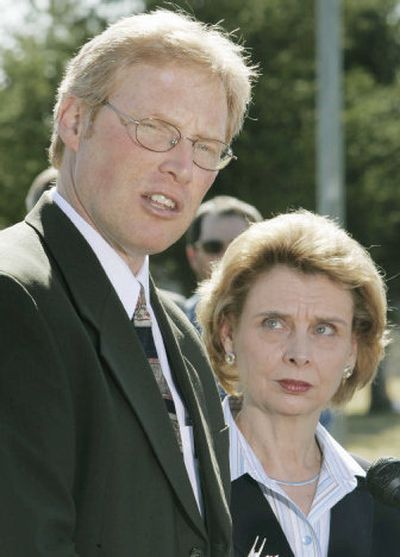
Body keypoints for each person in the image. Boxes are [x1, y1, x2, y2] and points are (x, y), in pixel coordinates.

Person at [0, 9, 258, 556]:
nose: (183, 168)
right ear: (74, 120)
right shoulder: (12, 295)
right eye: (157, 131)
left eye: (207, 146)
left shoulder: (178, 331)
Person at [197, 210, 400, 556]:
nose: (299, 354)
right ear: (228, 333)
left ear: (352, 349)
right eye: (274, 323)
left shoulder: (386, 498)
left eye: (324, 329)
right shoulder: (182, 481)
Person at [184, 195, 262, 328]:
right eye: (213, 247)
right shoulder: (169, 329)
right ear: (193, 256)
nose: (227, 256)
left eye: (240, 246)